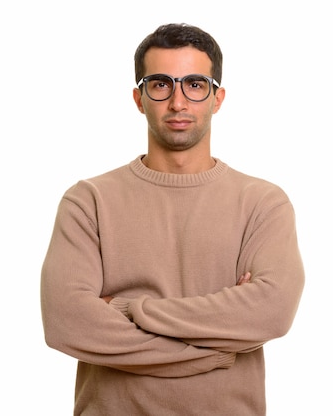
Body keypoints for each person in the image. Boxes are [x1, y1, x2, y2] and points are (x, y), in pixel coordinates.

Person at [40, 23, 305, 415]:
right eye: (161, 84)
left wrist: (130, 309)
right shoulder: (89, 200)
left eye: (195, 85)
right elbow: (67, 322)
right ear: (139, 97)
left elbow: (272, 311)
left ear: (217, 98)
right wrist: (212, 351)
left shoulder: (262, 203)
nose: (178, 102)